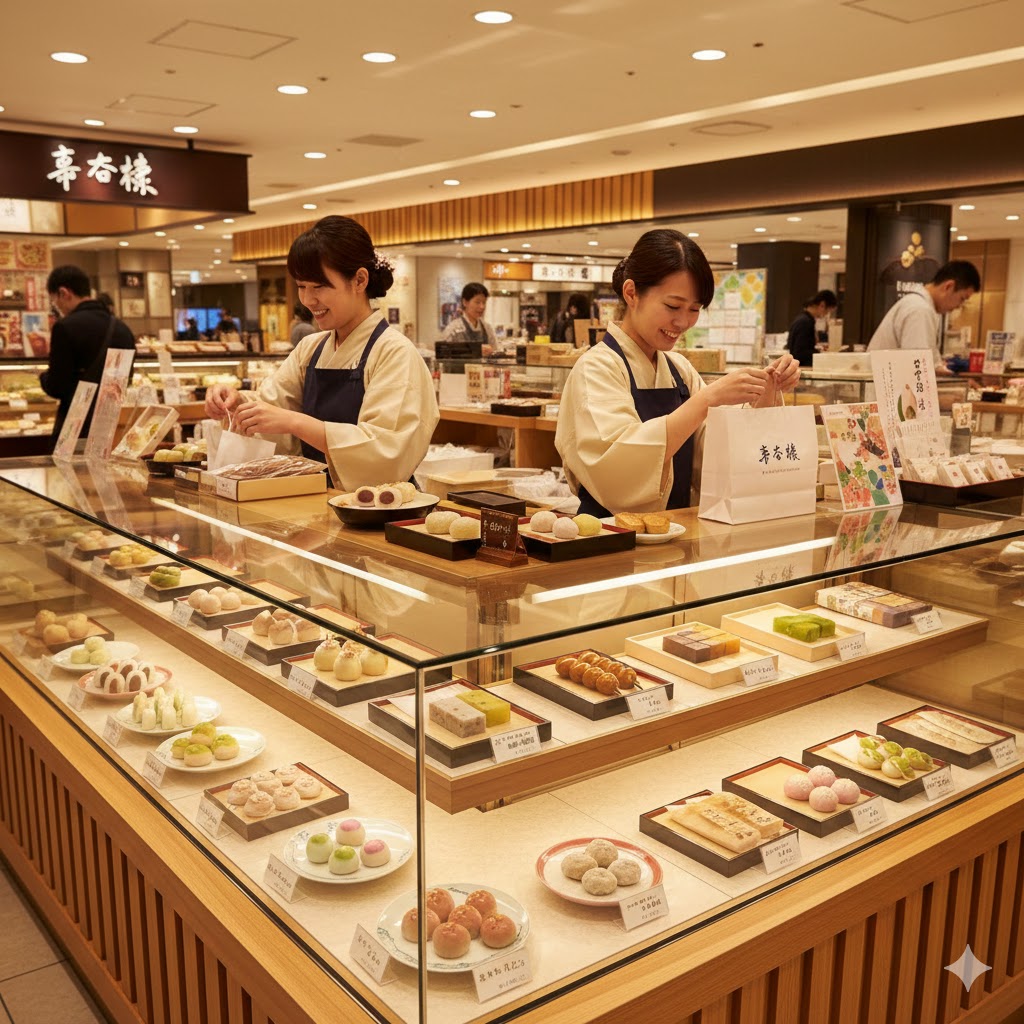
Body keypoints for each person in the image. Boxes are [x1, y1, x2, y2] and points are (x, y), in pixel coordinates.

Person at [555, 229, 801, 517]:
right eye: (672, 306)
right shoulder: (596, 368)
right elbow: (615, 470)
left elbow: (717, 459)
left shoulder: (678, 369)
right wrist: (706, 401)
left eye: (694, 309)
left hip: (678, 537)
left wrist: (766, 391)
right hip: (609, 538)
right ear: (631, 293)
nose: (683, 321)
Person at [204, 215, 439, 490]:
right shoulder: (311, 348)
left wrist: (296, 423)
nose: (307, 300)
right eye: (301, 286)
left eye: (319, 286)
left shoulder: (394, 353)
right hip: (316, 500)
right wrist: (237, 404)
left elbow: (385, 450)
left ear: (360, 280)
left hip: (379, 509)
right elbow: (276, 407)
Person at [40, 265, 135, 442]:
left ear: (64, 292)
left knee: (71, 469)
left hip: (77, 427)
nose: (57, 307)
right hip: (112, 427)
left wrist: (43, 377)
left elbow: (57, 386)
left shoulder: (65, 327)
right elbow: (126, 379)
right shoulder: (122, 328)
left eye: (54, 301)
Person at [867, 260, 980, 376]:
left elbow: (932, 364)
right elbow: (917, 369)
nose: (959, 306)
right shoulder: (919, 309)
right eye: (962, 298)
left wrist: (957, 379)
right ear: (948, 287)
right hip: (884, 390)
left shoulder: (923, 307)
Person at [786, 289, 837, 367]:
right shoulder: (805, 322)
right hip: (801, 368)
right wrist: (821, 355)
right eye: (827, 312)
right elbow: (800, 353)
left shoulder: (803, 319)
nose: (826, 315)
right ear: (822, 305)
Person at [440, 283, 497, 349]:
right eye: (477, 302)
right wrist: (476, 350)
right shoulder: (454, 329)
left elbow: (496, 351)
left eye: (484, 302)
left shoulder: (487, 329)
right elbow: (442, 352)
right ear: (465, 302)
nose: (482, 307)